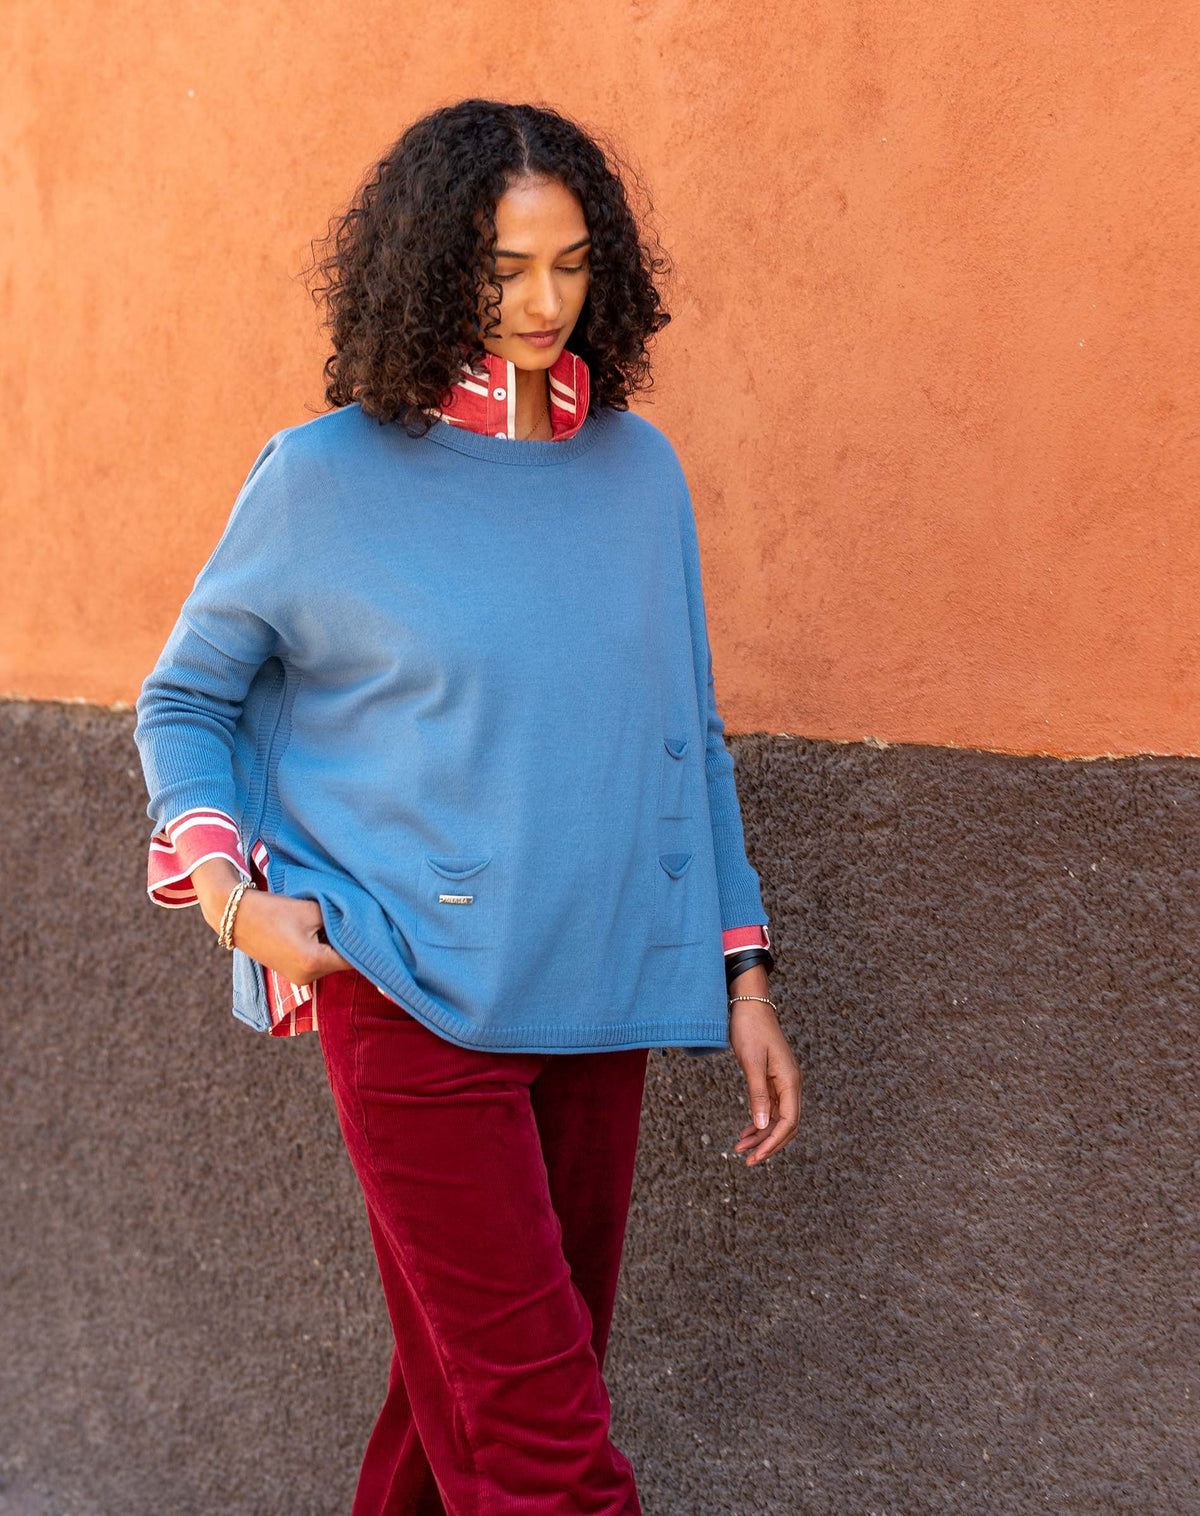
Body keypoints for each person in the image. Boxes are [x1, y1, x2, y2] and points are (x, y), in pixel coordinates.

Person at [134, 98, 802, 1516]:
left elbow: (686, 736)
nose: (542, 304)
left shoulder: (640, 475)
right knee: (551, 1454)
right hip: (408, 997)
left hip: (601, 998)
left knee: (466, 1407)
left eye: (569, 266)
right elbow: (184, 700)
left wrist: (740, 972)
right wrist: (234, 903)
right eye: (502, 271)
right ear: (431, 267)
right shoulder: (321, 478)